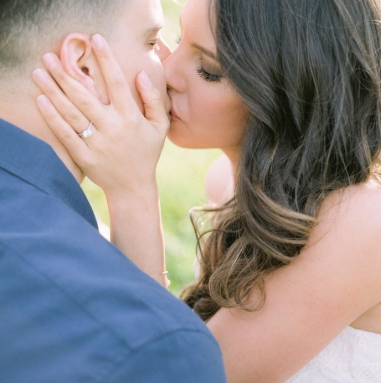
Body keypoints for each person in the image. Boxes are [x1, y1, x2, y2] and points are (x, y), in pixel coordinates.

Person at [33, 0, 381, 381]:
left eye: (208, 70)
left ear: (292, 91)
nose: (167, 72)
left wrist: (132, 191)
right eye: (178, 39)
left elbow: (169, 374)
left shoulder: (361, 222)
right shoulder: (225, 183)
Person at [0, 0, 228, 382]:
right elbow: (149, 342)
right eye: (151, 41)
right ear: (83, 65)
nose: (166, 63)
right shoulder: (160, 349)